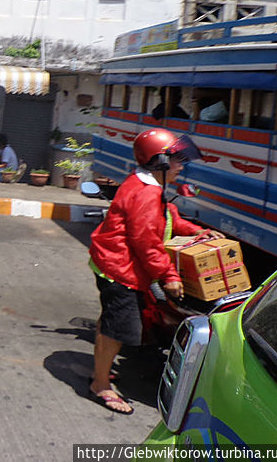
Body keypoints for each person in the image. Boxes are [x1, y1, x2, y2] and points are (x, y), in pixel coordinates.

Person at [87, 128, 219, 415]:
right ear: (159, 161)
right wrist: (169, 276)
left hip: (112, 263)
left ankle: (102, 368)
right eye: (176, 160)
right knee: (117, 328)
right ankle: (100, 384)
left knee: (109, 320)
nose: (181, 166)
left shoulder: (148, 185)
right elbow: (147, 242)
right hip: (120, 270)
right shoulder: (146, 193)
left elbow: (169, 220)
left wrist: (198, 232)